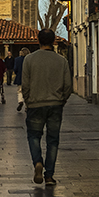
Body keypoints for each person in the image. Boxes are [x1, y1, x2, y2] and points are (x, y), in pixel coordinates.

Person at [20, 29, 73, 185]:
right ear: (53, 41)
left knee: (33, 136)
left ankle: (38, 162)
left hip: (35, 104)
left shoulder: (29, 59)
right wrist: (62, 100)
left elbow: (25, 84)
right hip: (55, 104)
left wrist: (28, 101)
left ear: (38, 41)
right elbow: (68, 85)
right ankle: (49, 175)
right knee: (53, 140)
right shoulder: (62, 61)